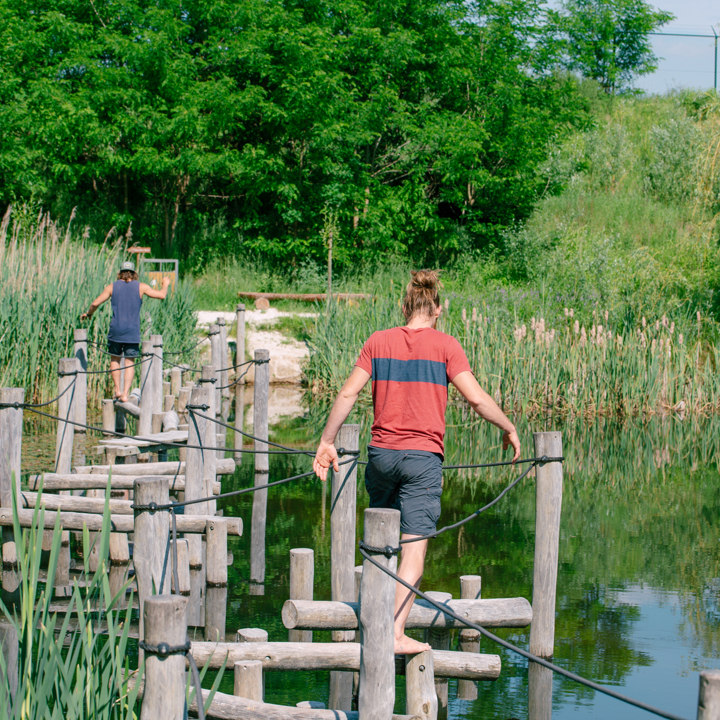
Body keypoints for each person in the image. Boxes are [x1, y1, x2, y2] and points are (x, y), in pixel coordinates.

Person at [312, 270, 521, 654]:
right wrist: (508, 426)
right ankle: (392, 635)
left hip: (381, 456)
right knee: (414, 549)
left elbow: (347, 393)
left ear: (404, 306)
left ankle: (375, 624)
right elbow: (476, 399)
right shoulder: (446, 346)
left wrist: (326, 440)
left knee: (381, 544)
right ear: (437, 309)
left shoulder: (378, 340)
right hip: (422, 459)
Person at [80, 261, 171, 403]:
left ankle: (117, 390)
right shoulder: (141, 287)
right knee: (129, 362)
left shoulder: (112, 287)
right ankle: (125, 394)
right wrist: (165, 284)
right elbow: (161, 295)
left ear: (120, 272)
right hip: (132, 332)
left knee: (115, 359)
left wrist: (88, 313)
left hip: (115, 330)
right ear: (134, 273)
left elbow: (95, 304)